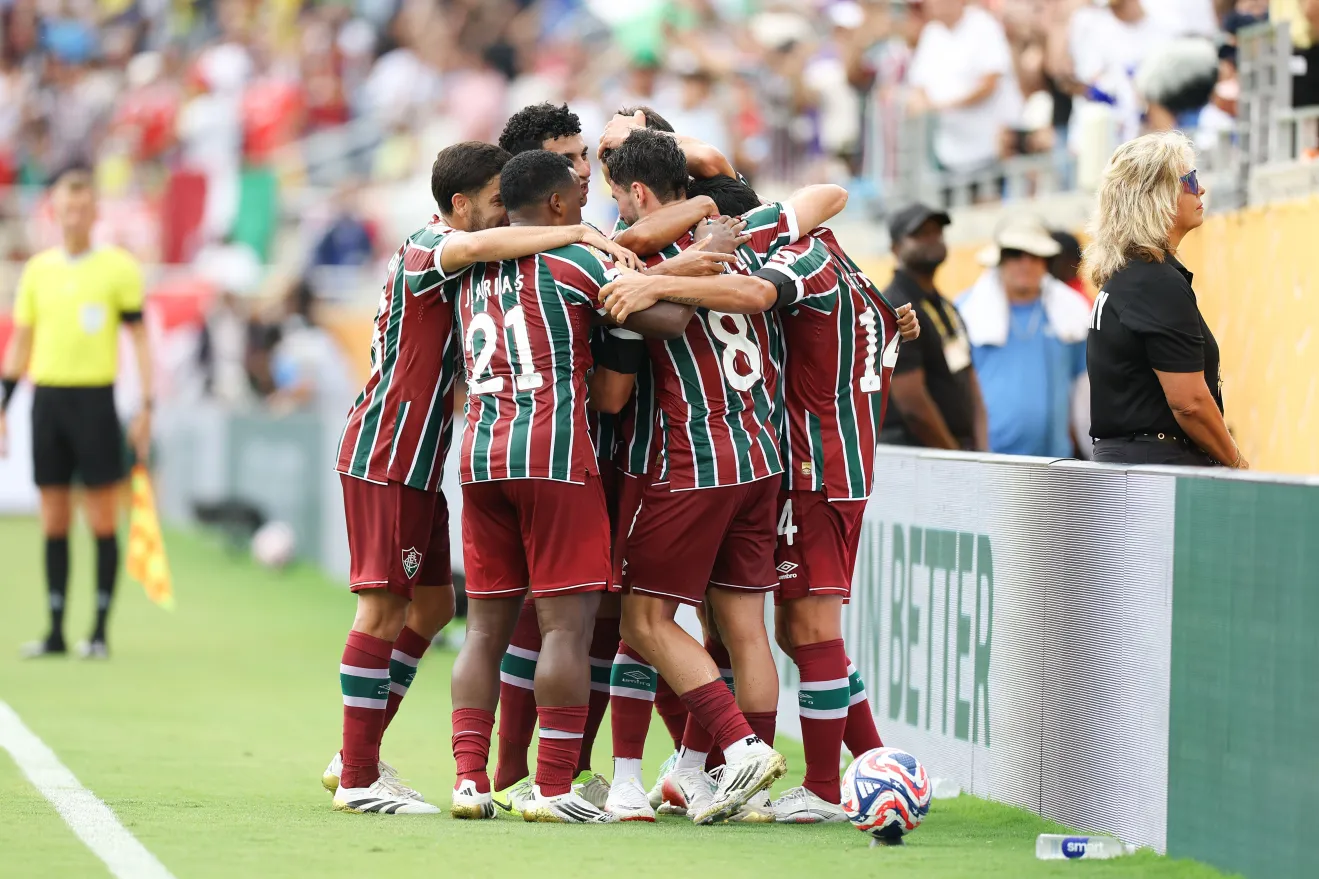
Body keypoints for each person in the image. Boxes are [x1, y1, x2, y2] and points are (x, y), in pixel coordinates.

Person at [325, 141, 640, 817]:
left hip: (446, 456)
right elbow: (478, 252)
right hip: (387, 451)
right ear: (460, 205)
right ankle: (354, 771)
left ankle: (371, 743)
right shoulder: (427, 246)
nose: (505, 220)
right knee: (383, 610)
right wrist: (579, 229)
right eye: (496, 205)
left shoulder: (482, 265)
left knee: (440, 609)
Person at [598, 175, 922, 824]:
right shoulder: (811, 259)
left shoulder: (786, 259)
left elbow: (746, 290)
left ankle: (783, 770)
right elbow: (827, 201)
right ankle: (720, 774)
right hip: (774, 463)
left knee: (657, 623)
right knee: (746, 627)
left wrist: (660, 276)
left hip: (771, 467)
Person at [489, 103, 742, 815]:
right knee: (570, 620)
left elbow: (716, 178)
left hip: (616, 451)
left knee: (632, 621)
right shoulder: (585, 243)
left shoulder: (596, 233)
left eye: (598, 151)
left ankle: (658, 770)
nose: (585, 166)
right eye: (573, 155)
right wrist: (687, 246)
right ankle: (543, 774)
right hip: (590, 446)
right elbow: (638, 298)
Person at [446, 149, 692, 825]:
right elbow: (666, 321)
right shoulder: (579, 260)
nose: (586, 203)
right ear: (555, 205)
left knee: (484, 628)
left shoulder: (467, 267)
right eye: (577, 194)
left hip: (480, 455)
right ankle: (552, 786)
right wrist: (687, 273)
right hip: (554, 453)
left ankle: (469, 779)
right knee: (567, 625)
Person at [0, 165, 152, 661]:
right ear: (55, 210)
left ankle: (100, 630)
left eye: (83, 207)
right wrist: (3, 405)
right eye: (67, 207)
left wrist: (146, 404)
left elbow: (140, 338)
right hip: (47, 401)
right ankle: (55, 628)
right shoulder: (38, 271)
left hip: (94, 400)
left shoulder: (117, 269)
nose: (75, 215)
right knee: (53, 516)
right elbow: (21, 342)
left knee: (103, 515)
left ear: (94, 212)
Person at [1084, 131, 1247, 468]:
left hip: (1135, 466)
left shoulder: (1129, 275)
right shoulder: (1153, 280)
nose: (1200, 189)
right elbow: (1189, 403)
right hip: (1158, 469)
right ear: (1157, 195)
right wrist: (1239, 466)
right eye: (1190, 180)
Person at [957, 216, 1091, 458]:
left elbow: (1082, 389)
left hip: (1056, 461)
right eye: (1015, 254)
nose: (1025, 263)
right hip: (989, 460)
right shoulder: (967, 311)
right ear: (1000, 259)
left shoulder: (1071, 313)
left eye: (1035, 255)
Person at [881, 203, 988, 450]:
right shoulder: (896, 309)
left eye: (936, 232)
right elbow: (911, 404)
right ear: (895, 248)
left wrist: (979, 449)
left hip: (958, 452)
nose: (932, 239)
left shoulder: (946, 307)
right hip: (917, 459)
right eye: (919, 234)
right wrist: (954, 457)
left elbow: (969, 381)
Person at [905, 0, 1017, 177]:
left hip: (990, 148)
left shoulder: (983, 25)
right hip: (949, 153)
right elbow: (918, 84)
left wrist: (944, 105)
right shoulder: (932, 33)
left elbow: (990, 82)